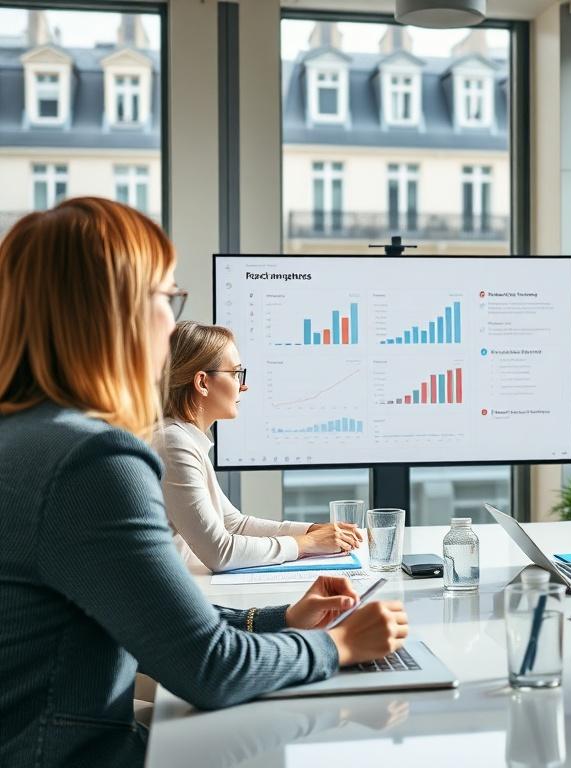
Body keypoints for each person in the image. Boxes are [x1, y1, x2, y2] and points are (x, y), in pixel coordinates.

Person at [0, 198, 408, 768]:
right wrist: (338, 644)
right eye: (168, 297)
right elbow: (210, 669)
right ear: (115, 313)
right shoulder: (91, 460)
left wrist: (280, 620)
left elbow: (153, 612)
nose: (171, 323)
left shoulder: (26, 436)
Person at [155, 320, 360, 572]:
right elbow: (219, 552)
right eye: (236, 373)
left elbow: (233, 524)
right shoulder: (173, 444)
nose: (243, 385)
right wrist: (305, 543)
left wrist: (311, 531)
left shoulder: (182, 438)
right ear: (202, 383)